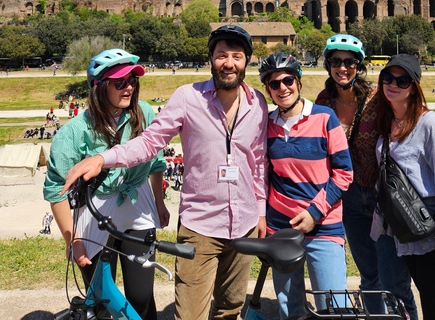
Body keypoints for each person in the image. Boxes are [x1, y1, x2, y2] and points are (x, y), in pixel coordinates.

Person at [60, 25, 269, 320]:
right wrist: (103, 159)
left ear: (247, 61)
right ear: (211, 58)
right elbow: (149, 143)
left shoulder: (258, 103)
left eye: (237, 56)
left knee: (230, 308)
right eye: (222, 55)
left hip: (245, 221)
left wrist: (260, 211)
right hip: (201, 227)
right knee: (190, 314)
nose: (229, 63)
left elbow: (258, 162)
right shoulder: (188, 98)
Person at [43, 49, 168, 320]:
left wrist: (159, 202)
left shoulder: (144, 112)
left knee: (141, 297)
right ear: (99, 87)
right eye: (120, 82)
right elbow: (56, 191)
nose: (129, 87)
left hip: (137, 202)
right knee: (100, 298)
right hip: (94, 208)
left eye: (132, 80)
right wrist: (72, 240)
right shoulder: (73, 133)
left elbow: (156, 162)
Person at [315, 34, 419, 319]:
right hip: (347, 198)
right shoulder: (324, 101)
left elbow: (408, 111)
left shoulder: (377, 95)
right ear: (328, 64)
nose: (343, 67)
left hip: (381, 197)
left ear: (359, 65)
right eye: (336, 61)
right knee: (369, 276)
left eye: (350, 62)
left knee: (395, 280)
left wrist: (431, 123)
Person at [373, 53, 435, 320]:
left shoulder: (431, 126)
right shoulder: (388, 123)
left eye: (403, 80)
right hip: (411, 238)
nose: (393, 84)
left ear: (414, 86)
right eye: (388, 78)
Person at [259, 52, 353, 319]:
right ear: (268, 89)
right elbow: (263, 175)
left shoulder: (325, 117)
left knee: (334, 307)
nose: (282, 88)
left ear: (298, 81)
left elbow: (344, 173)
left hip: (323, 225)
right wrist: (262, 219)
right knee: (291, 309)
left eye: (287, 80)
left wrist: (315, 212)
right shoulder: (267, 124)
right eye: (274, 84)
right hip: (281, 227)